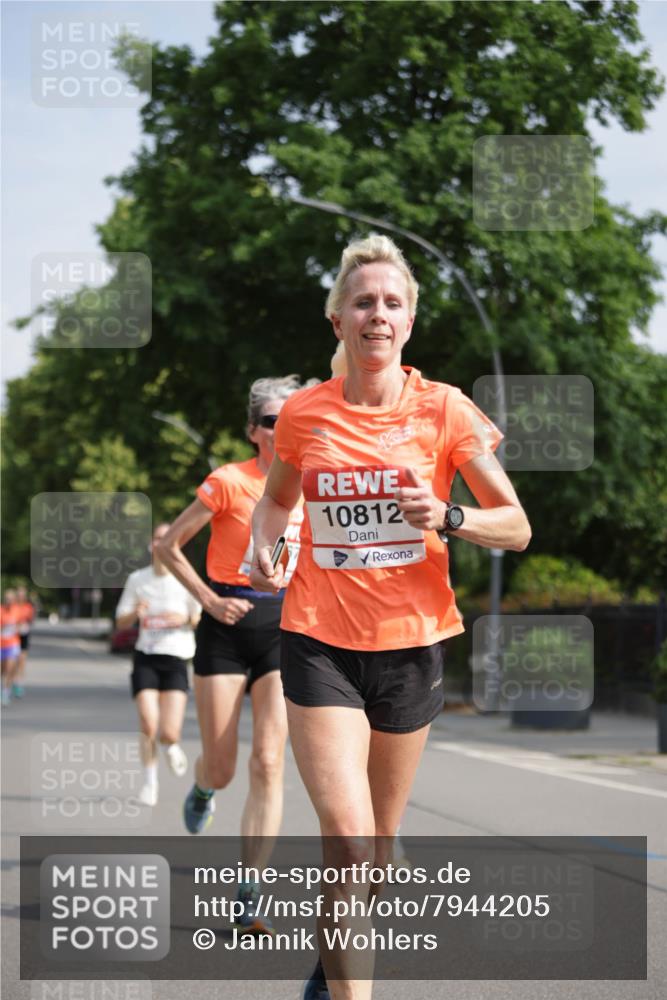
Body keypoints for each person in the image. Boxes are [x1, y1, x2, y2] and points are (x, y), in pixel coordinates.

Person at [250, 234, 531, 1000]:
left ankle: (329, 969)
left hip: (411, 647)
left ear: (408, 322)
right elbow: (275, 501)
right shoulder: (305, 413)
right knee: (345, 842)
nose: (378, 313)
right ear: (337, 319)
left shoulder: (443, 410)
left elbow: (515, 524)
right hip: (317, 639)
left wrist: (447, 514)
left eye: (392, 302)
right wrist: (263, 548)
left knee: (370, 855)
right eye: (363, 301)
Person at [156, 375, 315, 933]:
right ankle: (203, 786)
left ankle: (250, 888)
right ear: (255, 432)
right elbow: (166, 546)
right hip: (225, 625)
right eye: (273, 420)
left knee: (270, 760)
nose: (283, 427)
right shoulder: (227, 482)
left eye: (291, 417)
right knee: (223, 768)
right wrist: (207, 599)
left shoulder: (314, 483)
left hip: (284, 625)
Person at [115, 523, 201, 806]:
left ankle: (171, 745)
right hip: (146, 658)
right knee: (148, 724)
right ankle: (150, 784)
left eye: (168, 537)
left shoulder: (186, 578)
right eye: (158, 538)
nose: (162, 542)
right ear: (152, 545)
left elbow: (198, 616)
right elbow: (120, 621)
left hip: (177, 657)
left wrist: (183, 620)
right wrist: (135, 613)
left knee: (168, 731)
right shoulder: (138, 579)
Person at [12, 585, 36, 699]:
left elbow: (30, 621)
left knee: (21, 660)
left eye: (23, 595)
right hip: (13, 636)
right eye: (19, 594)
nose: (21, 596)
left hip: (24, 636)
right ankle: (12, 680)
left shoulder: (28, 607)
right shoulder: (13, 606)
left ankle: (19, 684)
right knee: (13, 661)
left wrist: (25, 625)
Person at [0, 589, 21, 707]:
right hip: (1, 644)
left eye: (10, 598)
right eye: (6, 598)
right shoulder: (0, 610)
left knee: (9, 668)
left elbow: (20, 624)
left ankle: (5, 692)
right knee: (2, 670)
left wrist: (19, 628)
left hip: (13, 644)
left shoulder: (17, 611)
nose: (8, 601)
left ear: (13, 600)